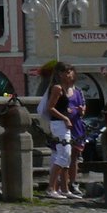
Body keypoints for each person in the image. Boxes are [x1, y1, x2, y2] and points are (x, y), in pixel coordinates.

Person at [37, 64, 74, 199]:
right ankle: (51, 187)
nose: (70, 75)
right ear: (60, 73)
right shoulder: (57, 88)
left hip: (61, 124)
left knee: (66, 157)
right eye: (67, 72)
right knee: (63, 155)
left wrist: (67, 111)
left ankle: (65, 188)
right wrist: (65, 118)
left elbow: (58, 106)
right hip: (59, 125)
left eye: (70, 72)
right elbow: (50, 108)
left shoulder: (63, 88)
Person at [64, 67, 88, 198]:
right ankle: (63, 183)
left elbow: (83, 110)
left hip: (76, 125)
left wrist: (80, 110)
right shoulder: (60, 90)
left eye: (71, 75)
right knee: (64, 155)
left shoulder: (78, 91)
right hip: (64, 125)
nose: (69, 77)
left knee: (74, 156)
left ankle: (73, 182)